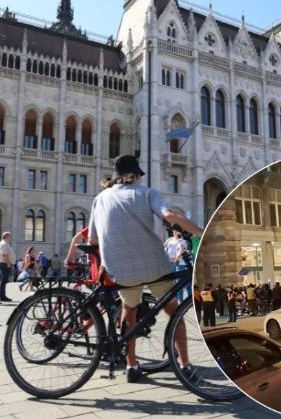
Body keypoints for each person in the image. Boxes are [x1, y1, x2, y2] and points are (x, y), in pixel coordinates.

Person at [86, 155, 204, 383]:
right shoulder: (147, 193)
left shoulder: (99, 199)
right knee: (174, 312)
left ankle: (131, 366)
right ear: (134, 176)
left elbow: (92, 241)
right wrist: (201, 232)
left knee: (129, 312)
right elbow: (170, 216)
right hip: (153, 266)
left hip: (119, 270)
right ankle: (185, 365)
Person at [164, 228, 190, 301]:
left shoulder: (182, 241)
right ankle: (174, 299)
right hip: (170, 263)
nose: (174, 232)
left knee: (179, 282)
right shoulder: (169, 240)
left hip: (179, 263)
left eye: (176, 231)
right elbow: (165, 248)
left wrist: (176, 258)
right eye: (174, 231)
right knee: (172, 282)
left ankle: (180, 300)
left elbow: (181, 250)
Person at [0, 232, 16, 302]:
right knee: (4, 280)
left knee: (4, 280)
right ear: (6, 237)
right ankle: (2, 296)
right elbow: (4, 255)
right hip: (4, 264)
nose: (10, 238)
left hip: (5, 264)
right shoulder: (4, 244)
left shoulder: (5, 243)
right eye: (10, 236)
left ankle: (3, 296)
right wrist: (8, 263)